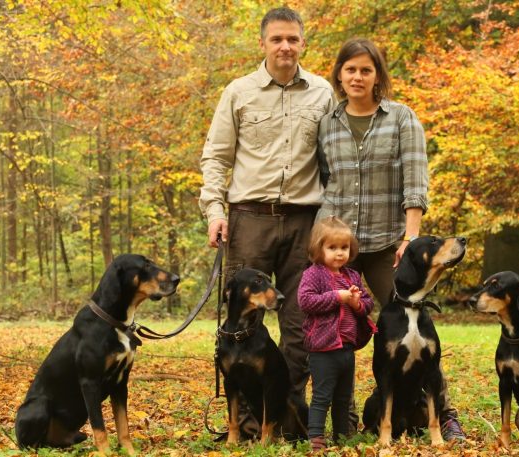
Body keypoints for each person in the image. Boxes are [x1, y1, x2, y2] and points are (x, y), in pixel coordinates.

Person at [316, 38, 466, 440]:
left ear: (377, 75)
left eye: (366, 70)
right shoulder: (327, 123)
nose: (358, 77)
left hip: (388, 244)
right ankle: (344, 418)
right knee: (333, 330)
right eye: (350, 69)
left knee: (418, 329)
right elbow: (325, 182)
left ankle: (444, 414)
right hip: (340, 247)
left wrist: (410, 238)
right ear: (339, 75)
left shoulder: (401, 117)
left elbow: (415, 180)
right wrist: (323, 239)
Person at [199, 6, 336, 437]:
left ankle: (287, 416)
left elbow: (334, 162)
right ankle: (245, 421)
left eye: (293, 39)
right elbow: (216, 158)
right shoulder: (238, 92)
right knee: (241, 326)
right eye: (277, 39)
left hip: (304, 224)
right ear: (262, 43)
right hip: (249, 220)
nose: (285, 46)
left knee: (301, 324)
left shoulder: (323, 93)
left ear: (303, 43)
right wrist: (215, 212)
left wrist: (332, 221)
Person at [297, 216, 375, 451]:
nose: (339, 253)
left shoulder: (352, 276)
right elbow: (305, 301)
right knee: (322, 396)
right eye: (332, 247)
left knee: (343, 396)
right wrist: (336, 297)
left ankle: (342, 436)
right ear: (318, 248)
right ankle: (316, 437)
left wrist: (356, 303)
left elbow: (368, 303)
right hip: (323, 348)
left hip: (347, 348)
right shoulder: (313, 274)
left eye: (344, 247)